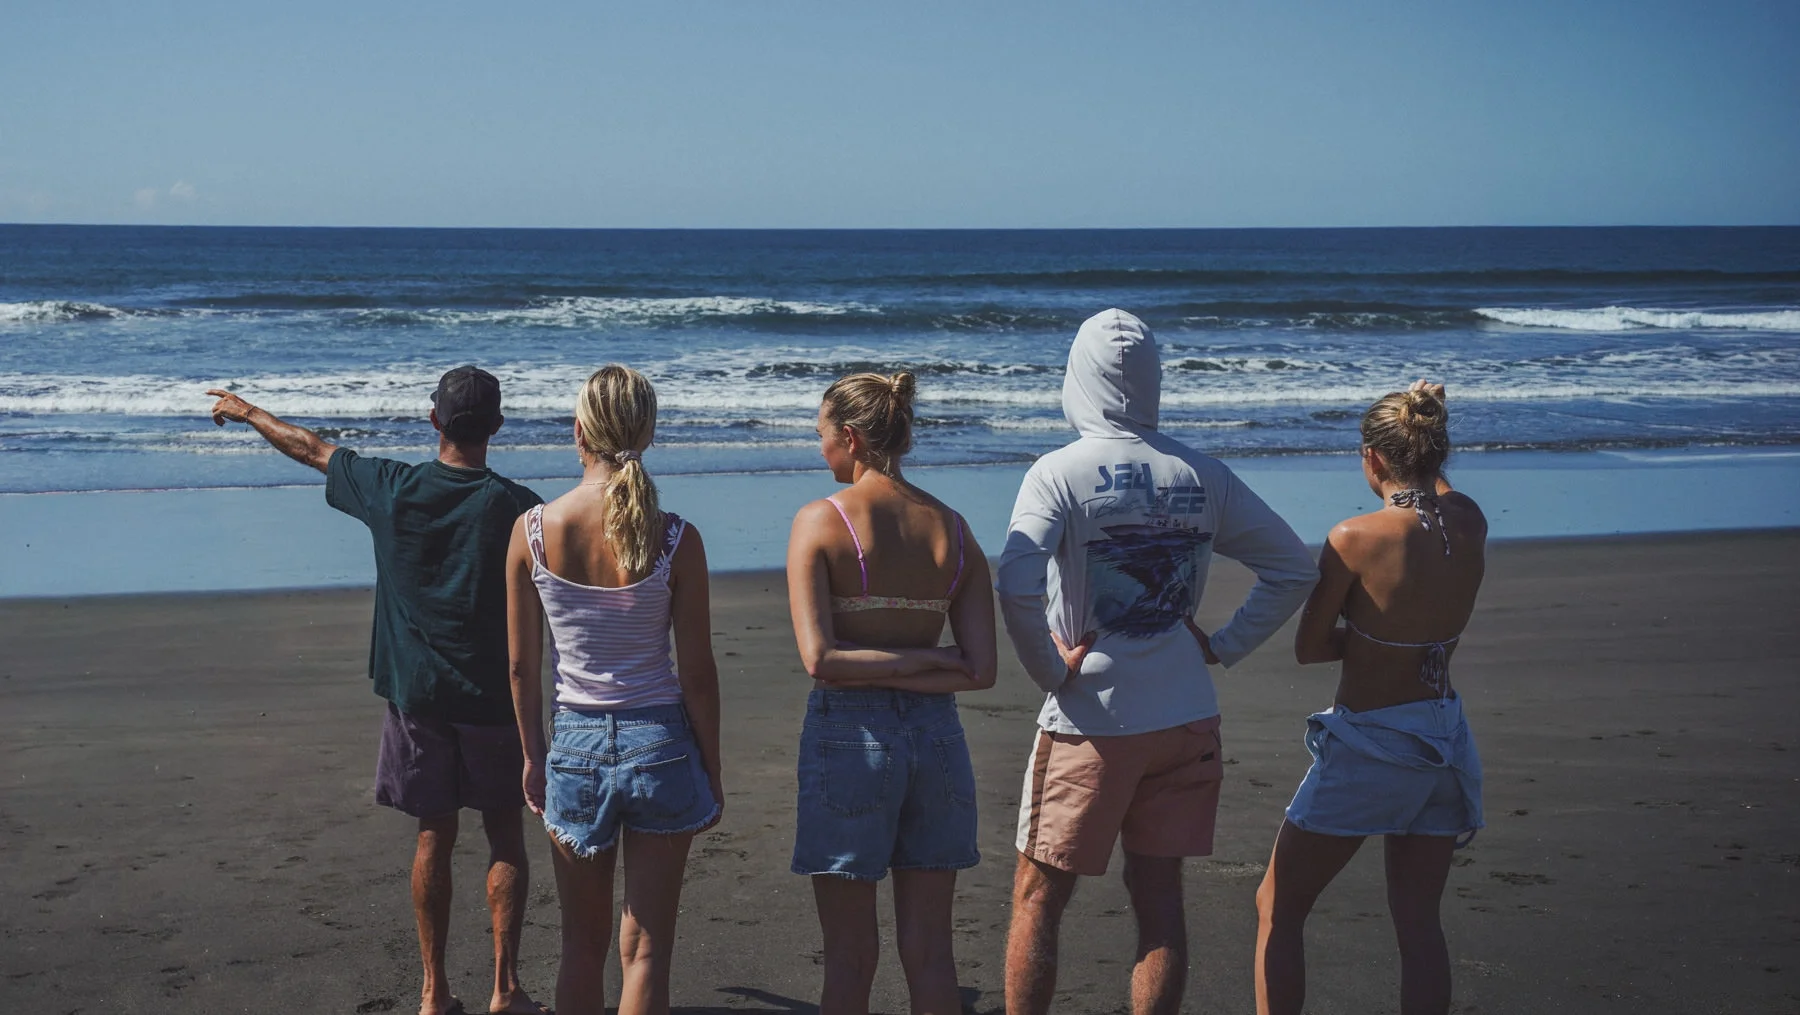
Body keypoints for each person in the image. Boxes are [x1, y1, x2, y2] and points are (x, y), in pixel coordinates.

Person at [996, 309, 1318, 1015]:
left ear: (1076, 377)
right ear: (1152, 380)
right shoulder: (1200, 471)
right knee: (1160, 898)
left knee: (1039, 896)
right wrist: (1225, 644)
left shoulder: (1057, 472)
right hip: (1186, 716)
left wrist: (1050, 670)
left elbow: (1015, 582)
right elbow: (1293, 568)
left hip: (1094, 721)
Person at [207, 367, 545, 1015]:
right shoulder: (520, 507)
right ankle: (505, 988)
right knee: (506, 835)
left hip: (417, 695)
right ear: (497, 426)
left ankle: (433, 990)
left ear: (433, 420)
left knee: (432, 835)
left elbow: (310, 448)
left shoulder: (394, 487)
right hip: (494, 698)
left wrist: (248, 410)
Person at [1254, 381, 1485, 1015]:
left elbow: (1309, 646)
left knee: (1278, 905)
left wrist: (1373, 641)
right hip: (1443, 734)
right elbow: (1431, 491)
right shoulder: (1468, 519)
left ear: (1372, 458)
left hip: (1373, 742)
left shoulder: (1356, 537)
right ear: (1437, 452)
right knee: (1417, 923)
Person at [505, 365, 722, 1015]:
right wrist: (712, 762)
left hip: (574, 743)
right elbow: (700, 672)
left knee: (580, 945)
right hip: (659, 741)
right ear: (647, 434)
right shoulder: (677, 538)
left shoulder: (534, 530)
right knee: (648, 946)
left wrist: (532, 753)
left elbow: (521, 666)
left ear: (578, 432)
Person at [785, 370, 999, 1015]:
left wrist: (876, 665)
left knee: (849, 954)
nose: (817, 447)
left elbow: (821, 659)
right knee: (932, 950)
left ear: (850, 436)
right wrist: (927, 658)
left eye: (821, 434)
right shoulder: (954, 530)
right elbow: (977, 669)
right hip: (938, 739)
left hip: (851, 738)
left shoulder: (822, 522)